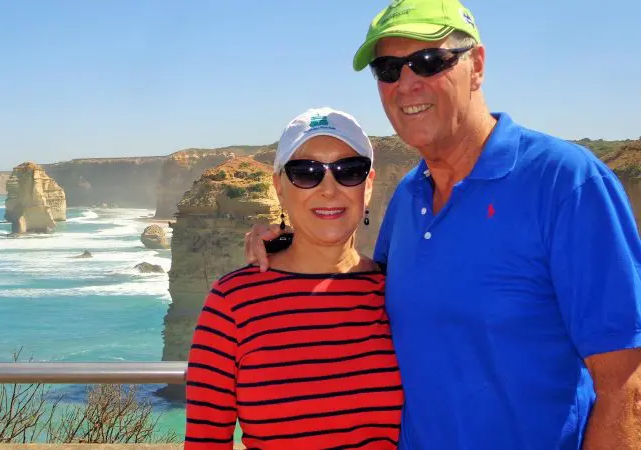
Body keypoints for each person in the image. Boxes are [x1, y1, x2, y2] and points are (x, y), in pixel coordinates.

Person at [244, 1, 641, 449]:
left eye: (429, 61)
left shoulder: (565, 182)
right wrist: (290, 242)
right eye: (388, 69)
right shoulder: (410, 197)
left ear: (478, 66)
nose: (407, 83)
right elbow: (370, 287)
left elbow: (625, 385)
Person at [185, 107, 404, 449]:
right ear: (279, 187)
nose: (329, 189)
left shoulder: (397, 294)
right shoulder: (233, 302)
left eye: (350, 171)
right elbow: (205, 441)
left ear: (369, 185)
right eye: (306, 172)